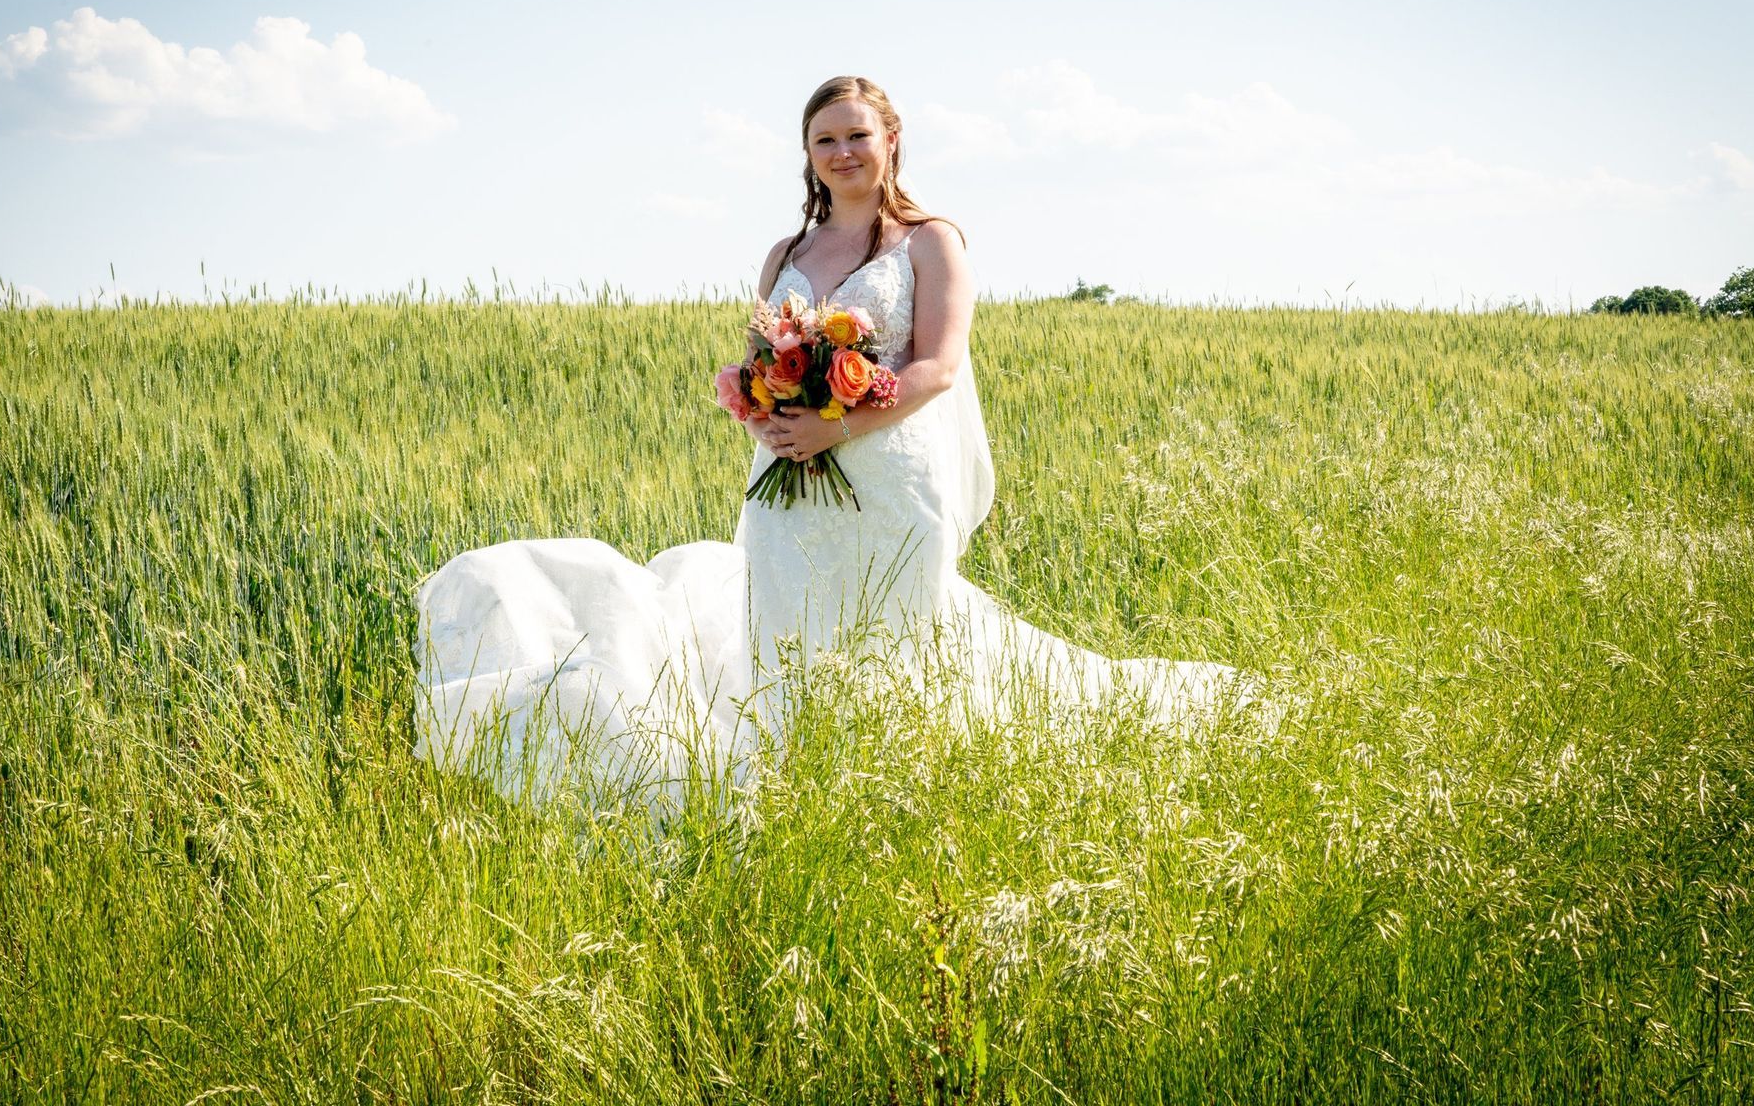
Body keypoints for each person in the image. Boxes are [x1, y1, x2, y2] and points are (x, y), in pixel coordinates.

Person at [411, 76, 1252, 803]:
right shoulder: (788, 248)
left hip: (889, 476)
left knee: (894, 633)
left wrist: (831, 422)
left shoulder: (931, 241)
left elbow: (936, 368)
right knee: (787, 626)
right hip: (784, 474)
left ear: (891, 139)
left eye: (858, 134)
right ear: (807, 152)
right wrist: (763, 401)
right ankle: (797, 776)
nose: (843, 151)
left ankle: (904, 777)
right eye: (825, 139)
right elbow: (756, 351)